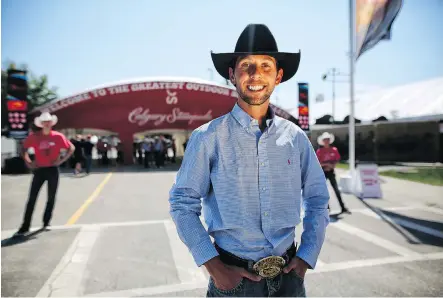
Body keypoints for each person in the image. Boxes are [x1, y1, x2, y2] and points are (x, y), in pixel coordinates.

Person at [169, 24, 330, 297]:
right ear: (232, 74)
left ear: (279, 76)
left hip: (289, 280)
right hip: (234, 283)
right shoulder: (208, 138)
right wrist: (215, 268)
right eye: (247, 66)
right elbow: (182, 204)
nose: (256, 75)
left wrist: (306, 255)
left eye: (266, 66)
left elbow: (317, 199)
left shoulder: (296, 138)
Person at [14, 112, 75, 236]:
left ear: (51, 123)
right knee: (32, 198)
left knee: (51, 198)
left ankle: (46, 222)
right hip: (39, 170)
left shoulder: (58, 136)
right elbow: (23, 148)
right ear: (41, 124)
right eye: (44, 122)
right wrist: (28, 162)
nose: (46, 124)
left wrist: (62, 160)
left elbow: (71, 148)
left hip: (52, 169)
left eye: (48, 122)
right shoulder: (34, 136)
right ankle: (25, 226)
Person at [316, 132, 350, 214]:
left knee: (336, 189)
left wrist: (332, 165)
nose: (326, 141)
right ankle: (326, 208)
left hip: (331, 172)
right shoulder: (320, 151)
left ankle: (343, 207)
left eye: (327, 139)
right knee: (324, 191)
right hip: (323, 172)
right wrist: (326, 164)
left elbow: (337, 159)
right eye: (325, 140)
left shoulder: (334, 150)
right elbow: (317, 163)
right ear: (323, 141)